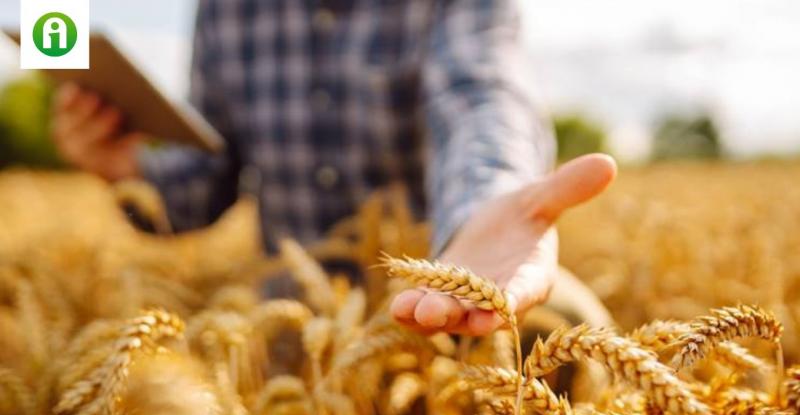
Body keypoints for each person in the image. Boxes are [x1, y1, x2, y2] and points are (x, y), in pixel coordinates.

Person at [51, 0, 617, 336]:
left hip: (457, 283)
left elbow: (480, 98)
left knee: (579, 337)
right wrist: (121, 166)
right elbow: (205, 182)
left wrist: (486, 203)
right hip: (293, 316)